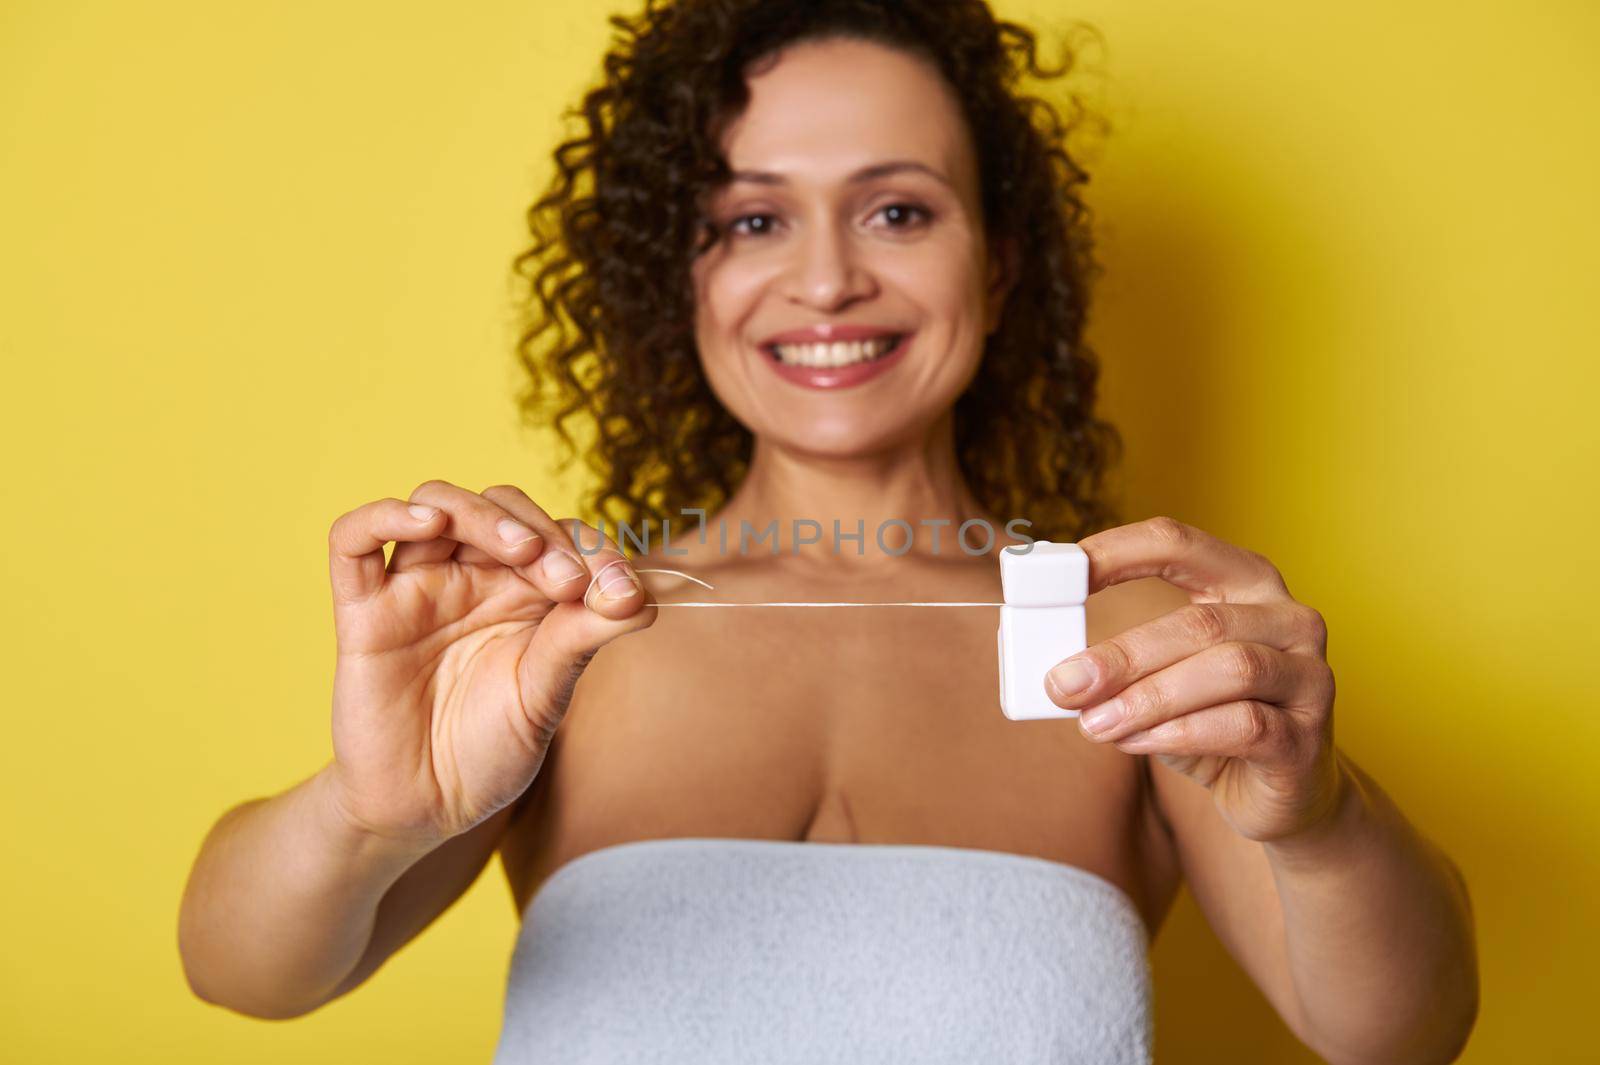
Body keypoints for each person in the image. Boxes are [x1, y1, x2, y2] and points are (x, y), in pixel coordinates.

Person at [177, 1, 1479, 1061]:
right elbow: (240, 969)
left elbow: (1399, 1029)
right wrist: (367, 815)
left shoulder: (1127, 645)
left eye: (898, 209)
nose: (824, 278)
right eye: (752, 219)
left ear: (1001, 259)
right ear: (677, 274)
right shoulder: (561, 627)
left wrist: (1319, 814)